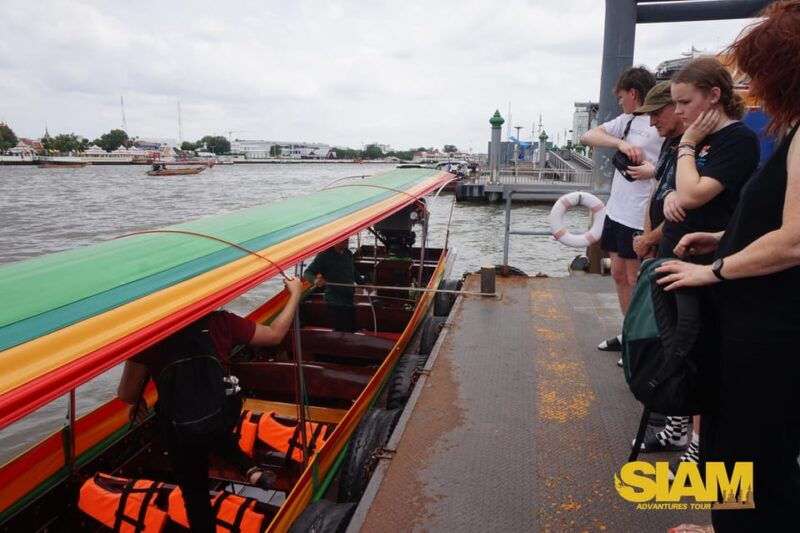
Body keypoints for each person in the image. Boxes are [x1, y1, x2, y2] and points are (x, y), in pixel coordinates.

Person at [656, 2, 800, 529]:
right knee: (734, 444)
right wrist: (724, 236)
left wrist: (712, 271)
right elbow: (775, 220)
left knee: (755, 452)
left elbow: (795, 240)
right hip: (755, 320)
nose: (756, 86)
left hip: (770, 329)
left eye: (762, 72)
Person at [641, 57, 760, 475]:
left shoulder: (736, 141)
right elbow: (676, 189)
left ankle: (699, 445)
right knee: (679, 350)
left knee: (701, 354)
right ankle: (678, 427)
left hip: (709, 264)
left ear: (714, 96)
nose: (680, 112)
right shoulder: (694, 142)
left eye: (686, 102)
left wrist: (689, 142)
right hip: (678, 255)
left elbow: (692, 193)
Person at [117, 276, 303, 533]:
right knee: (216, 426)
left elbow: (127, 393)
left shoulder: (149, 336)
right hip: (220, 414)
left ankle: (244, 470)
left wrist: (136, 399)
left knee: (195, 497)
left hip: (179, 427)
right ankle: (248, 466)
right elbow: (274, 335)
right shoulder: (221, 322)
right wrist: (294, 293)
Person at [582, 67, 662, 357]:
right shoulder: (627, 121)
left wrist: (653, 169)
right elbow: (589, 136)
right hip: (617, 210)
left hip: (640, 213)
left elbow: (677, 158)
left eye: (621, 96)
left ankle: (641, 342)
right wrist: (620, 142)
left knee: (635, 278)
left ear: (634, 93)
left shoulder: (660, 122)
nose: (619, 102)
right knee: (617, 274)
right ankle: (628, 332)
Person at [631, 80, 687, 262]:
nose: (652, 122)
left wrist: (647, 240)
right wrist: (648, 241)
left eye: (657, 113)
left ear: (677, 106)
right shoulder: (669, 141)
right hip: (659, 250)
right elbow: (655, 191)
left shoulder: (693, 146)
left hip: (679, 254)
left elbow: (685, 210)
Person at [303, 238, 364, 332]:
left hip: (349, 298)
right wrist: (315, 280)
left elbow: (353, 272)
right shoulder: (324, 255)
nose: (346, 241)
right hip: (335, 300)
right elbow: (307, 273)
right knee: (342, 331)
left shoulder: (348, 253)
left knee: (353, 329)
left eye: (347, 239)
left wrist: (363, 285)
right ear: (336, 239)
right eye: (344, 239)